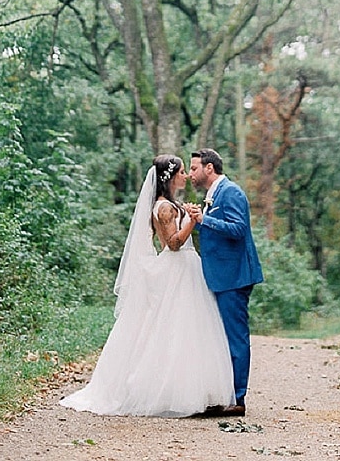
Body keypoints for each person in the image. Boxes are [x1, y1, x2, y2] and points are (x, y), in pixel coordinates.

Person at [59, 155, 235, 417]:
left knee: (186, 330)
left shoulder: (170, 204)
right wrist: (192, 221)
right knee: (170, 329)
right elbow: (173, 245)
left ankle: (190, 389)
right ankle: (162, 391)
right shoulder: (163, 208)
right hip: (177, 269)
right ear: (170, 177)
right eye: (182, 172)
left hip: (186, 268)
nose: (186, 176)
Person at [188, 147, 263, 416]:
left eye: (194, 168)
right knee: (219, 337)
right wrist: (195, 221)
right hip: (220, 275)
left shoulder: (230, 192)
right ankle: (223, 393)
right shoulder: (212, 195)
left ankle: (238, 399)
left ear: (210, 168)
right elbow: (214, 229)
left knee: (235, 338)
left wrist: (204, 219)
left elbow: (238, 229)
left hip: (234, 276)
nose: (190, 174)